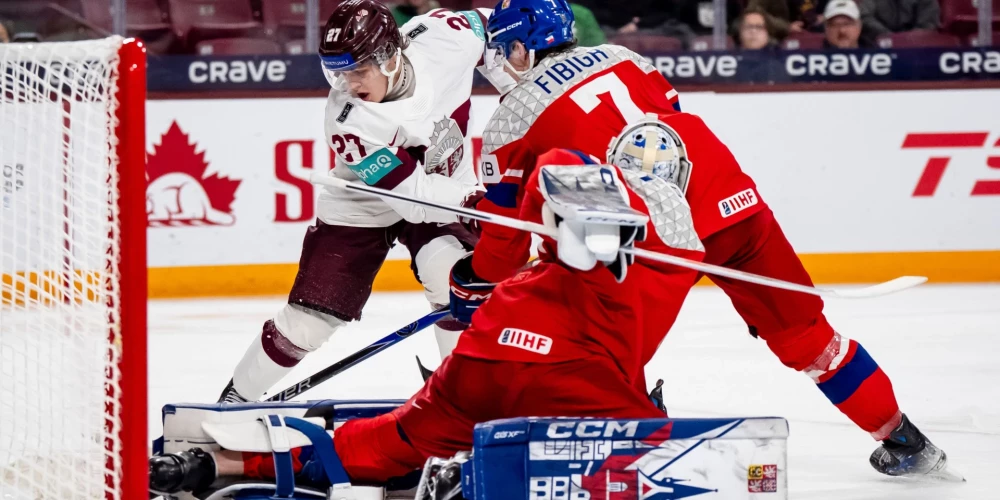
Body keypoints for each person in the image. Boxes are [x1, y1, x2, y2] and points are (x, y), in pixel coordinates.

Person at [467, 0, 952, 479]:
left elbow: (503, 244)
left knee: (602, 355)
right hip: (729, 200)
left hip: (648, 236)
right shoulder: (624, 57)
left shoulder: (510, 121)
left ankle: (648, 445)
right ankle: (903, 437)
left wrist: (471, 280)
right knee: (808, 337)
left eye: (502, 50)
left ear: (521, 48)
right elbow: (667, 125)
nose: (499, 66)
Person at [149, 148, 705, 495]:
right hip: (567, 376)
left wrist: (484, 270)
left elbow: (549, 174)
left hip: (485, 356)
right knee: (659, 453)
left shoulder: (586, 240)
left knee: (386, 441)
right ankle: (469, 481)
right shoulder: (681, 259)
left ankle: (215, 464)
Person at [216, 0, 487, 403]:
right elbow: (414, 202)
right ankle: (233, 400)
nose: (348, 83)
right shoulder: (349, 120)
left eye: (357, 70)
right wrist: (474, 200)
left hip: (441, 185)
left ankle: (464, 400)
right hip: (364, 201)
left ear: (390, 57)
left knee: (458, 282)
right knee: (311, 319)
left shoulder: (447, 37)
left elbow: (501, 29)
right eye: (338, 72)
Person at [859, 0, 940, 38]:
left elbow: (928, 24)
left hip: (915, 45)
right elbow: (865, 16)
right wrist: (890, 36)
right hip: (879, 43)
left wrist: (906, 39)